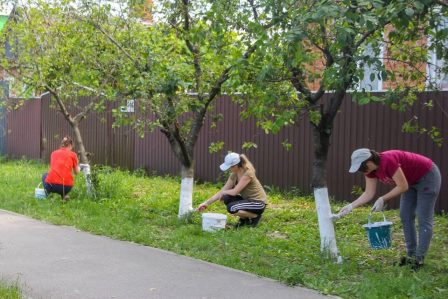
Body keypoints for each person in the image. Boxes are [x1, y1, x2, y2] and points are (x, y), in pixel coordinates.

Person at [336, 148, 441, 270]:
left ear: (368, 162)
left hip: (427, 176)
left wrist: (382, 199)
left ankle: (419, 259)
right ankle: (411, 256)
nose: (361, 171)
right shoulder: (370, 171)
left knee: (423, 217)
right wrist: (351, 206)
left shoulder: (388, 161)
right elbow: (369, 193)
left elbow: (402, 186)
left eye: (361, 168)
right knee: (405, 216)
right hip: (410, 181)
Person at [197, 152, 267, 228]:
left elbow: (234, 192)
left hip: (258, 204)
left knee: (232, 207)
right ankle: (244, 220)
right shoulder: (234, 174)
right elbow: (223, 190)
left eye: (230, 167)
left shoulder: (248, 173)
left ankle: (255, 217)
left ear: (236, 165)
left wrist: (223, 192)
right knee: (226, 198)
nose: (229, 169)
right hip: (247, 201)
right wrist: (206, 203)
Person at [42, 136, 80, 201]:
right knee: (65, 178)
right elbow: (76, 172)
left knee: (44, 175)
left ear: (61, 145)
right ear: (70, 145)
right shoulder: (73, 155)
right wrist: (79, 167)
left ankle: (48, 195)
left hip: (52, 186)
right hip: (67, 187)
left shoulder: (53, 153)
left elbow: (53, 167)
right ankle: (64, 196)